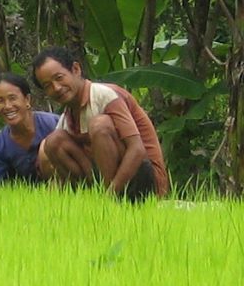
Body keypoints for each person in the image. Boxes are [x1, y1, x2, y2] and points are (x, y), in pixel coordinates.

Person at [31, 47, 169, 200]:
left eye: (59, 78)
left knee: (99, 125)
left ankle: (109, 200)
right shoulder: (68, 116)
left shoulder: (104, 95)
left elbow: (137, 149)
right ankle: (91, 195)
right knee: (54, 142)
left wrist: (108, 196)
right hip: (110, 182)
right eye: (47, 86)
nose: (56, 88)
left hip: (146, 179)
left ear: (76, 69)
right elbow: (51, 159)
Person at [0, 72, 59, 185]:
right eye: (0, 101)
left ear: (27, 100)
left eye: (12, 98)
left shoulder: (54, 124)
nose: (7, 106)